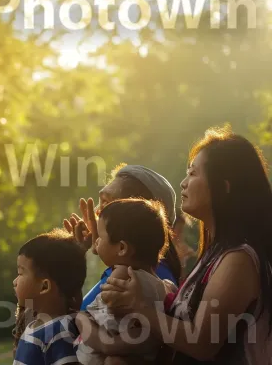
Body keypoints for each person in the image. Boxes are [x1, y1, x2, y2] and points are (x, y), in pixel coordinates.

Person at [99, 126, 272, 364]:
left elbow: (202, 343)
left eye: (192, 174)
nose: (183, 183)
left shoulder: (238, 260)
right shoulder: (216, 253)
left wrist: (138, 306)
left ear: (223, 187)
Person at [64, 164, 182, 310]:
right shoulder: (129, 269)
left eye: (106, 203)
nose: (96, 212)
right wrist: (78, 253)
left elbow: (74, 324)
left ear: (135, 215)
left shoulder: (140, 280)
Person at [75, 199, 177, 365]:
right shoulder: (164, 286)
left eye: (100, 236)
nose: (96, 242)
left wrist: (81, 319)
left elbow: (106, 317)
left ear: (122, 248)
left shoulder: (122, 275)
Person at [12, 229, 87, 364]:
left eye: (20, 273)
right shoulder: (36, 326)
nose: (15, 281)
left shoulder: (58, 333)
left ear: (44, 287)